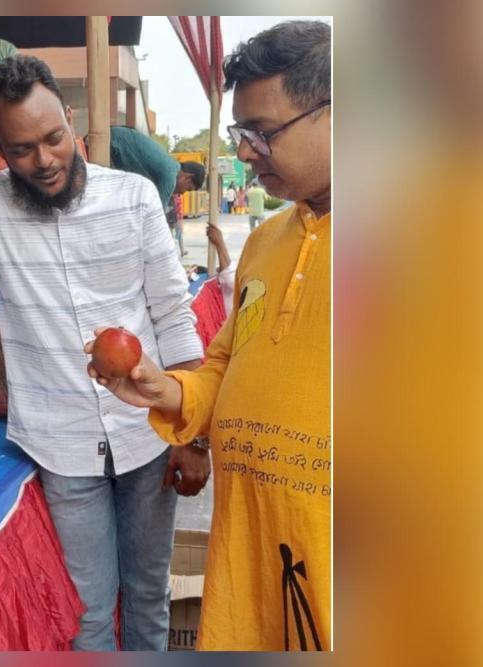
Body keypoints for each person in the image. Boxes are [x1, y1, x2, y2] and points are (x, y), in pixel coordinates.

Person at [86, 20, 331, 651]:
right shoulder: (266, 243)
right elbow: (228, 359)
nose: (246, 151)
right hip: (249, 558)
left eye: (261, 132)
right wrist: (163, 389)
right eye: (239, 134)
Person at [0, 55, 207, 652]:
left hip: (148, 436)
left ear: (71, 120)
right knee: (86, 614)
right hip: (59, 446)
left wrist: (189, 434)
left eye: (54, 138)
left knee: (146, 595)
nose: (45, 160)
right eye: (22, 150)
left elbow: (172, 314)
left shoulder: (135, 199)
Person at [107, 125, 205, 258]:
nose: (182, 193)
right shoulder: (170, 176)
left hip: (113, 141)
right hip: (111, 144)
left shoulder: (169, 165)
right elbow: (155, 218)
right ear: (188, 177)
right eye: (188, 189)